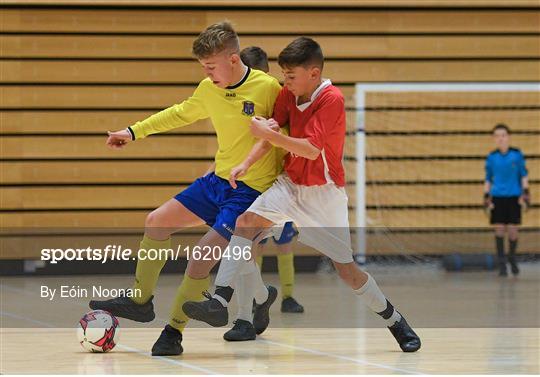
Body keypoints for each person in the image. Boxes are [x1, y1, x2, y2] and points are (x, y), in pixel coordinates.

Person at [182, 37, 421, 352]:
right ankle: (220, 298)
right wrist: (246, 162)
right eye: (284, 75)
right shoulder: (287, 94)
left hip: (324, 195)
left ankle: (395, 320)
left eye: (291, 76)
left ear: (314, 72)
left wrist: (270, 134)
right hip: (290, 185)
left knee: (347, 272)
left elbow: (310, 150)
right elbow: (271, 133)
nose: (286, 82)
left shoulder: (331, 99)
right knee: (245, 221)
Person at [89, 21, 283, 356]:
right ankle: (140, 301)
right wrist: (132, 132)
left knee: (200, 259)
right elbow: (178, 114)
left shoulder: (268, 89)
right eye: (203, 68)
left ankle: (173, 333)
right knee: (156, 221)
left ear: (234, 60)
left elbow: (285, 140)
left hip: (250, 192)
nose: (207, 74)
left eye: (211, 67)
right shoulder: (209, 89)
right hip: (217, 181)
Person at [484, 123, 530, 276]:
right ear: (493, 139)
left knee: (512, 230)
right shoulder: (491, 157)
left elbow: (523, 174)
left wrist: (526, 193)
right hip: (497, 196)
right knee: (499, 229)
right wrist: (486, 196)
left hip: (513, 197)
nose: (500, 139)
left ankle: (512, 257)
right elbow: (488, 179)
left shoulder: (517, 155)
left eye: (503, 135)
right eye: (497, 136)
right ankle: (501, 261)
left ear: (508, 137)